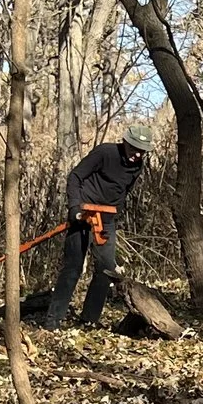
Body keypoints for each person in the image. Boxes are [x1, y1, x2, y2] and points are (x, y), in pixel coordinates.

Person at [40, 117, 151, 329]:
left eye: (142, 151)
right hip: (83, 215)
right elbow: (75, 177)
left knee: (106, 269)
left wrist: (113, 213)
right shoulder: (105, 152)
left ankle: (89, 320)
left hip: (106, 220)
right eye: (135, 148)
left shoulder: (138, 166)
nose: (137, 154)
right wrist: (75, 208)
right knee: (72, 267)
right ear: (126, 143)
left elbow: (124, 191)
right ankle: (52, 321)